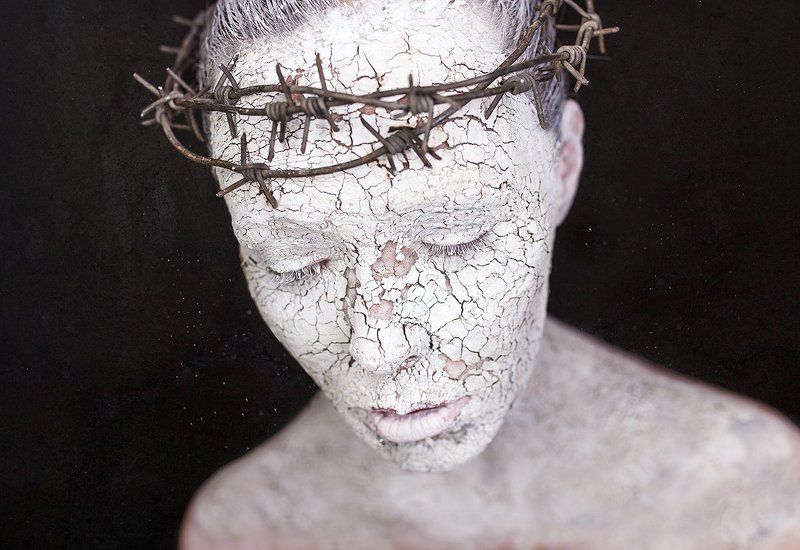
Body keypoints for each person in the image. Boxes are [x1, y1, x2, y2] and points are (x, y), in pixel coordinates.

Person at [177, 0, 800, 547]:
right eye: (295, 265)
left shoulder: (747, 501)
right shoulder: (246, 530)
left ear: (564, 164)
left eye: (455, 240)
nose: (379, 348)